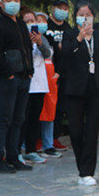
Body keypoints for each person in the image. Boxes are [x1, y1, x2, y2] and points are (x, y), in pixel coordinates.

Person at [61, 1, 99, 185]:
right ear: (76, 17)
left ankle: (87, 172)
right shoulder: (70, 34)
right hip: (75, 89)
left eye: (88, 14)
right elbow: (65, 55)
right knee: (76, 131)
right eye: (81, 14)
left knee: (91, 130)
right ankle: (82, 166)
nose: (85, 17)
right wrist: (79, 38)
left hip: (96, 88)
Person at [0, 0, 34, 173]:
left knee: (18, 120)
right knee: (4, 120)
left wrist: (30, 72)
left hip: (24, 78)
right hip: (8, 79)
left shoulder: (21, 24)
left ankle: (14, 157)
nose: (13, 2)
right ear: (1, 3)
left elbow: (28, 49)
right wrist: (8, 73)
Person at [21, 9, 53, 164]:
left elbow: (48, 54)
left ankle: (31, 150)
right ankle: (17, 150)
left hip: (40, 84)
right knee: (22, 118)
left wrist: (39, 43)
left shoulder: (42, 38)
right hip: (25, 84)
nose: (30, 24)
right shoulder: (19, 38)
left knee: (35, 119)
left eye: (32, 21)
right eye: (26, 21)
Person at [46, 0, 72, 151]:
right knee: (46, 107)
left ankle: (54, 137)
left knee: (59, 107)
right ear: (53, 8)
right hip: (48, 73)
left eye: (65, 8)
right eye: (59, 7)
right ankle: (40, 139)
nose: (62, 10)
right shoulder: (46, 25)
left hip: (64, 74)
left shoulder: (68, 28)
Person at [35, 12, 62, 159]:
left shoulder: (49, 39)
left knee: (50, 110)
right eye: (36, 20)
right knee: (34, 111)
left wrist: (58, 72)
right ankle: (30, 144)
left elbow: (57, 56)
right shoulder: (28, 38)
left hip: (50, 78)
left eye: (43, 21)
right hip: (36, 77)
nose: (40, 23)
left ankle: (48, 143)